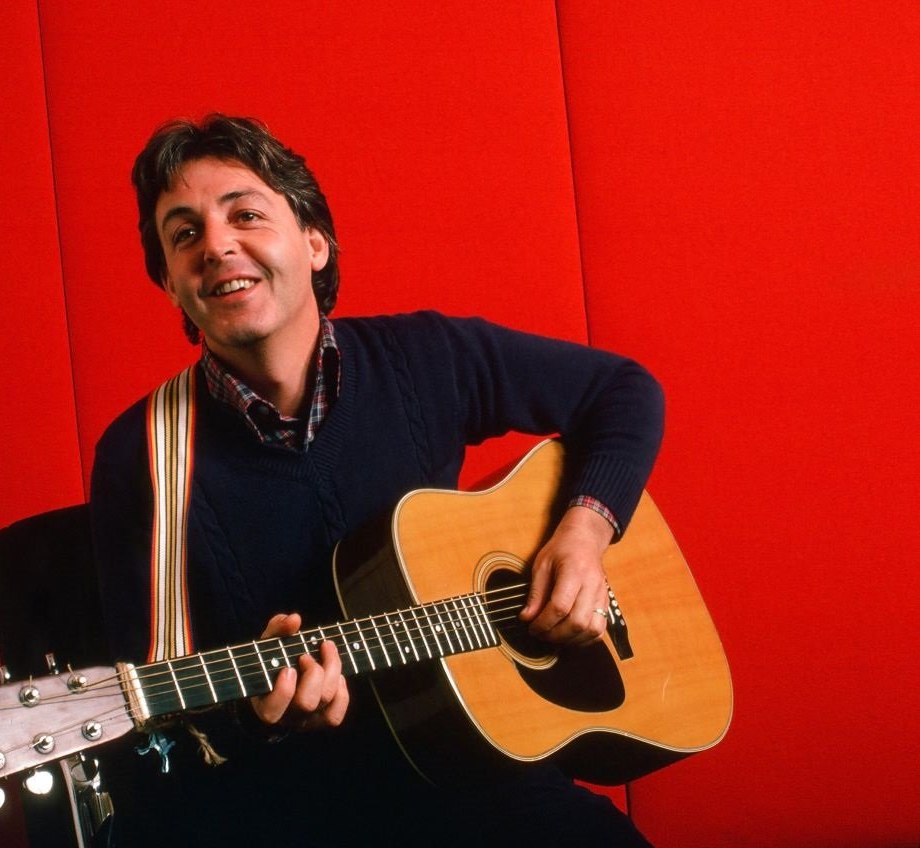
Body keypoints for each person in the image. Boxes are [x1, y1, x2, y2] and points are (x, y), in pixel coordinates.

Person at [89, 114, 663, 846]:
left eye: (246, 214)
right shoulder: (143, 457)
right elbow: (157, 731)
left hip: (483, 771)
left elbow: (623, 391)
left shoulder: (426, 357)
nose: (218, 245)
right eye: (184, 233)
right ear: (171, 284)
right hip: (302, 809)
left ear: (314, 243)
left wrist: (583, 535)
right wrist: (256, 722)